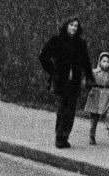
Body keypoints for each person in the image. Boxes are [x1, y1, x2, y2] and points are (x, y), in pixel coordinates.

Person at [38, 17, 95, 148]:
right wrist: (53, 71)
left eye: (76, 26)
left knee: (71, 110)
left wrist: (89, 76)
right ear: (66, 26)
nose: (74, 28)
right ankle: (59, 137)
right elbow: (43, 56)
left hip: (74, 81)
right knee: (63, 108)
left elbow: (86, 61)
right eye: (71, 25)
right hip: (62, 80)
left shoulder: (80, 43)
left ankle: (65, 136)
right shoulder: (57, 40)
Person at [82, 51, 109, 145]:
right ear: (100, 62)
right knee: (94, 118)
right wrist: (88, 85)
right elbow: (85, 83)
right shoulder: (94, 72)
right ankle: (92, 136)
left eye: (108, 62)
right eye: (104, 61)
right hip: (96, 95)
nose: (106, 64)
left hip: (108, 97)